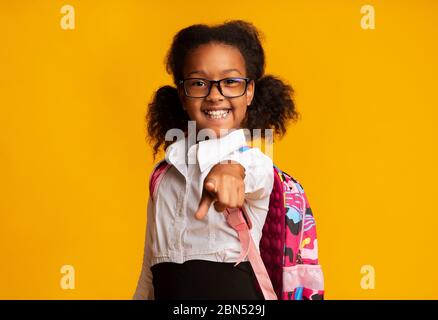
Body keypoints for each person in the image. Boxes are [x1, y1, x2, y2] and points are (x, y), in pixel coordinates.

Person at [133, 20, 299, 300]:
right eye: (199, 83)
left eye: (231, 82)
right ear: (183, 96)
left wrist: (232, 171)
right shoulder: (162, 175)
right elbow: (150, 268)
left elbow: (252, 172)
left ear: (249, 92)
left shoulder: (254, 162)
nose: (214, 95)